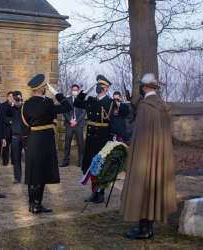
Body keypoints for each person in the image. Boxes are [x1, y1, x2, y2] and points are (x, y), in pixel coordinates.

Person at [121, 73, 177, 239]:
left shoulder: (146, 106)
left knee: (143, 187)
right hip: (159, 154)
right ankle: (148, 228)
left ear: (145, 87)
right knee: (153, 187)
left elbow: (140, 134)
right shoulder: (162, 105)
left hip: (145, 155)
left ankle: (144, 229)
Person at [73, 75, 129, 203]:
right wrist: (85, 91)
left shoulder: (110, 102)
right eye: (97, 85)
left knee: (101, 165)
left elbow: (125, 113)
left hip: (103, 137)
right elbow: (77, 103)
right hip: (91, 136)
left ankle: (100, 194)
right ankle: (94, 193)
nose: (98, 88)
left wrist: (121, 103)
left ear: (106, 88)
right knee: (92, 165)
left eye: (100, 86)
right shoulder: (92, 100)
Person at [22, 74, 71, 214]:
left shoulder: (26, 104)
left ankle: (32, 204)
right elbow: (67, 106)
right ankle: (37, 205)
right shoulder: (48, 103)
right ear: (43, 88)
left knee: (32, 173)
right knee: (41, 173)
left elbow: (24, 125)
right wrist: (56, 92)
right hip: (44, 140)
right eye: (45, 86)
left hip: (32, 139)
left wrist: (26, 143)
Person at [60, 84, 86, 168]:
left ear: (78, 91)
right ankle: (65, 162)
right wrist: (70, 120)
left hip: (78, 124)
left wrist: (76, 121)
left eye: (76, 90)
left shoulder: (82, 100)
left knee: (80, 144)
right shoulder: (67, 100)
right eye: (73, 89)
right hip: (69, 124)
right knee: (67, 143)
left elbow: (83, 112)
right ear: (71, 90)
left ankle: (81, 162)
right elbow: (64, 111)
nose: (74, 91)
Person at [6, 91, 25, 184]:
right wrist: (11, 103)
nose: (17, 99)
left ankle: (30, 176)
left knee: (29, 158)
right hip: (15, 136)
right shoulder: (11, 108)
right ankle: (17, 177)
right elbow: (4, 114)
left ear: (21, 97)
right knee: (16, 158)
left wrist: (21, 103)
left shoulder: (25, 107)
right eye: (15, 97)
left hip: (26, 136)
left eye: (19, 97)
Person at [1, 91, 14, 166]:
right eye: (10, 96)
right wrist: (10, 121)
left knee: (14, 147)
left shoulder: (16, 105)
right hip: (6, 129)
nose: (11, 98)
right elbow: (2, 116)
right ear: (7, 97)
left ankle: (13, 161)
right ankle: (5, 161)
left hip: (14, 129)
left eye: (12, 96)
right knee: (5, 147)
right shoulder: (3, 105)